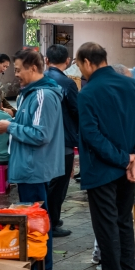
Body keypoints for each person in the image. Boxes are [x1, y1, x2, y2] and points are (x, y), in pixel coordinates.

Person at [75, 42, 135, 270]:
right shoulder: (134, 84)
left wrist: (125, 159)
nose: (80, 72)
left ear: (87, 62)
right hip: (129, 169)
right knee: (123, 220)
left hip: (103, 168)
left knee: (106, 224)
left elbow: (91, 134)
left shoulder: (88, 93)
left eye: (79, 66)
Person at [0, 48, 65, 270]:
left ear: (33, 68)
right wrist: (13, 119)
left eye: (19, 70)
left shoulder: (43, 95)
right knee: (34, 223)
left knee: (37, 225)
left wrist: (9, 127)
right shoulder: (29, 94)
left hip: (34, 168)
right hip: (28, 167)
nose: (16, 75)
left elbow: (41, 134)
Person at [45, 44, 80, 238]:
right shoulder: (67, 83)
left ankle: (49, 218)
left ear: (46, 60)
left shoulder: (41, 79)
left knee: (49, 182)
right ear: (67, 61)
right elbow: (76, 110)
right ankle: (52, 221)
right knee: (59, 184)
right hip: (63, 139)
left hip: (44, 138)